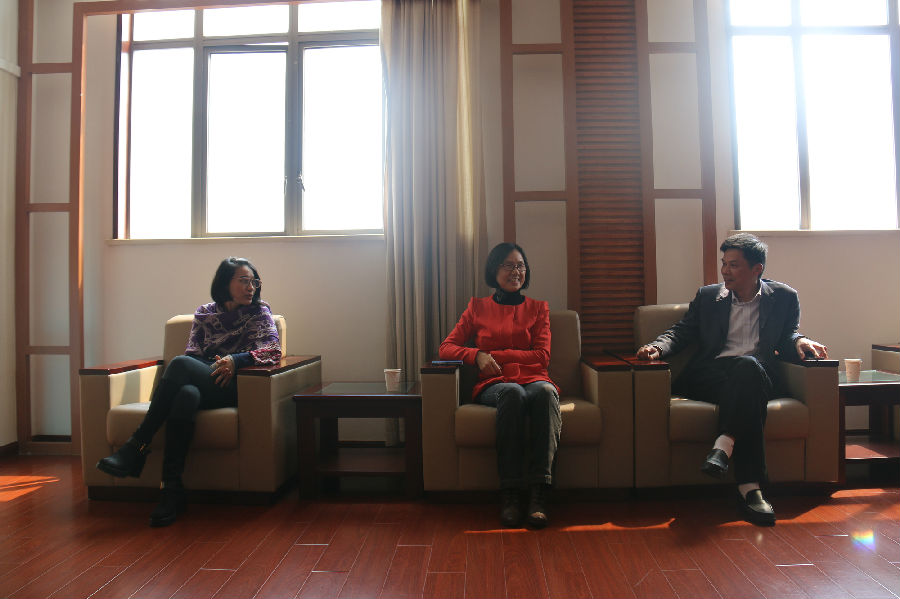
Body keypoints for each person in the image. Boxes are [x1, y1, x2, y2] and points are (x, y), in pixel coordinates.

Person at [637, 233, 827, 526]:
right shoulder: (708, 297)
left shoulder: (784, 297)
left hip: (754, 374)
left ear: (756, 269)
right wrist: (658, 347)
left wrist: (800, 340)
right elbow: (682, 331)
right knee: (747, 384)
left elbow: (788, 334)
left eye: (734, 265)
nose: (725, 271)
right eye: (724, 263)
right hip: (711, 375)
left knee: (748, 370)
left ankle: (725, 451)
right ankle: (749, 486)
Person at [96, 257, 282, 527]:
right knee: (186, 395)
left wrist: (235, 360)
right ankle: (171, 490)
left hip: (237, 384)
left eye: (254, 282)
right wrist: (210, 366)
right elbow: (194, 354)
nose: (250, 287)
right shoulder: (205, 313)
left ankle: (136, 446)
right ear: (224, 283)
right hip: (206, 378)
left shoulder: (259, 312)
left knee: (180, 364)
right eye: (243, 281)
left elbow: (272, 351)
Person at [439, 242, 560, 529]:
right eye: (508, 265)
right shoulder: (477, 308)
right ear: (494, 270)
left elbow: (542, 356)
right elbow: (446, 348)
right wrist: (476, 356)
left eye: (520, 266)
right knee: (512, 392)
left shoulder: (538, 309)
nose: (516, 271)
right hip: (495, 384)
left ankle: (539, 493)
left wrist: (495, 355)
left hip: (535, 379)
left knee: (545, 393)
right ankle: (510, 494)